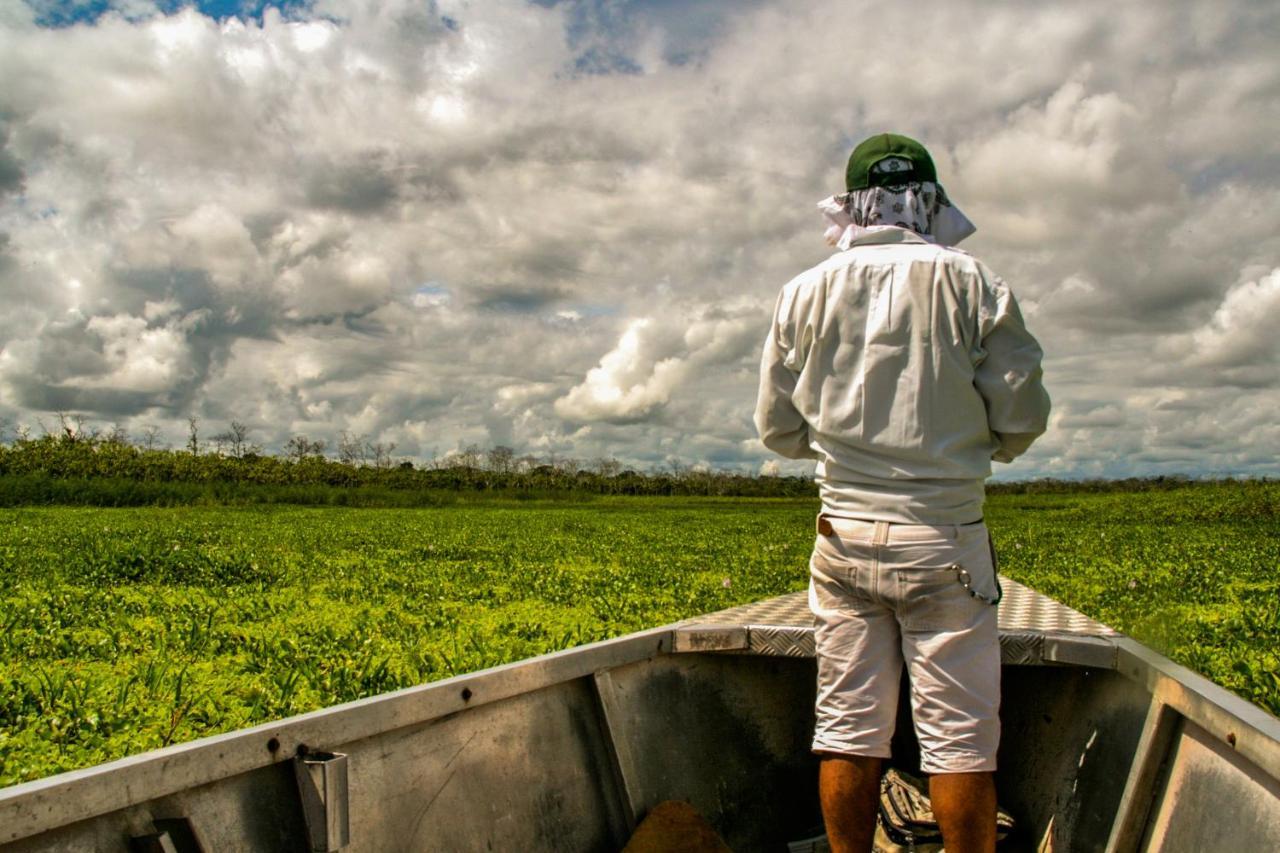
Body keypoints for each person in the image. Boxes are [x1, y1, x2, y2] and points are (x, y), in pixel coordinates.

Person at [754, 133, 1050, 853]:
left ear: (852, 202)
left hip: (844, 535)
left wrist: (836, 449)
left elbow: (777, 427)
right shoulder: (975, 283)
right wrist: (982, 448)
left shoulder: (803, 291)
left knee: (847, 725)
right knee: (959, 739)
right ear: (928, 198)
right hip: (945, 535)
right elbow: (1022, 413)